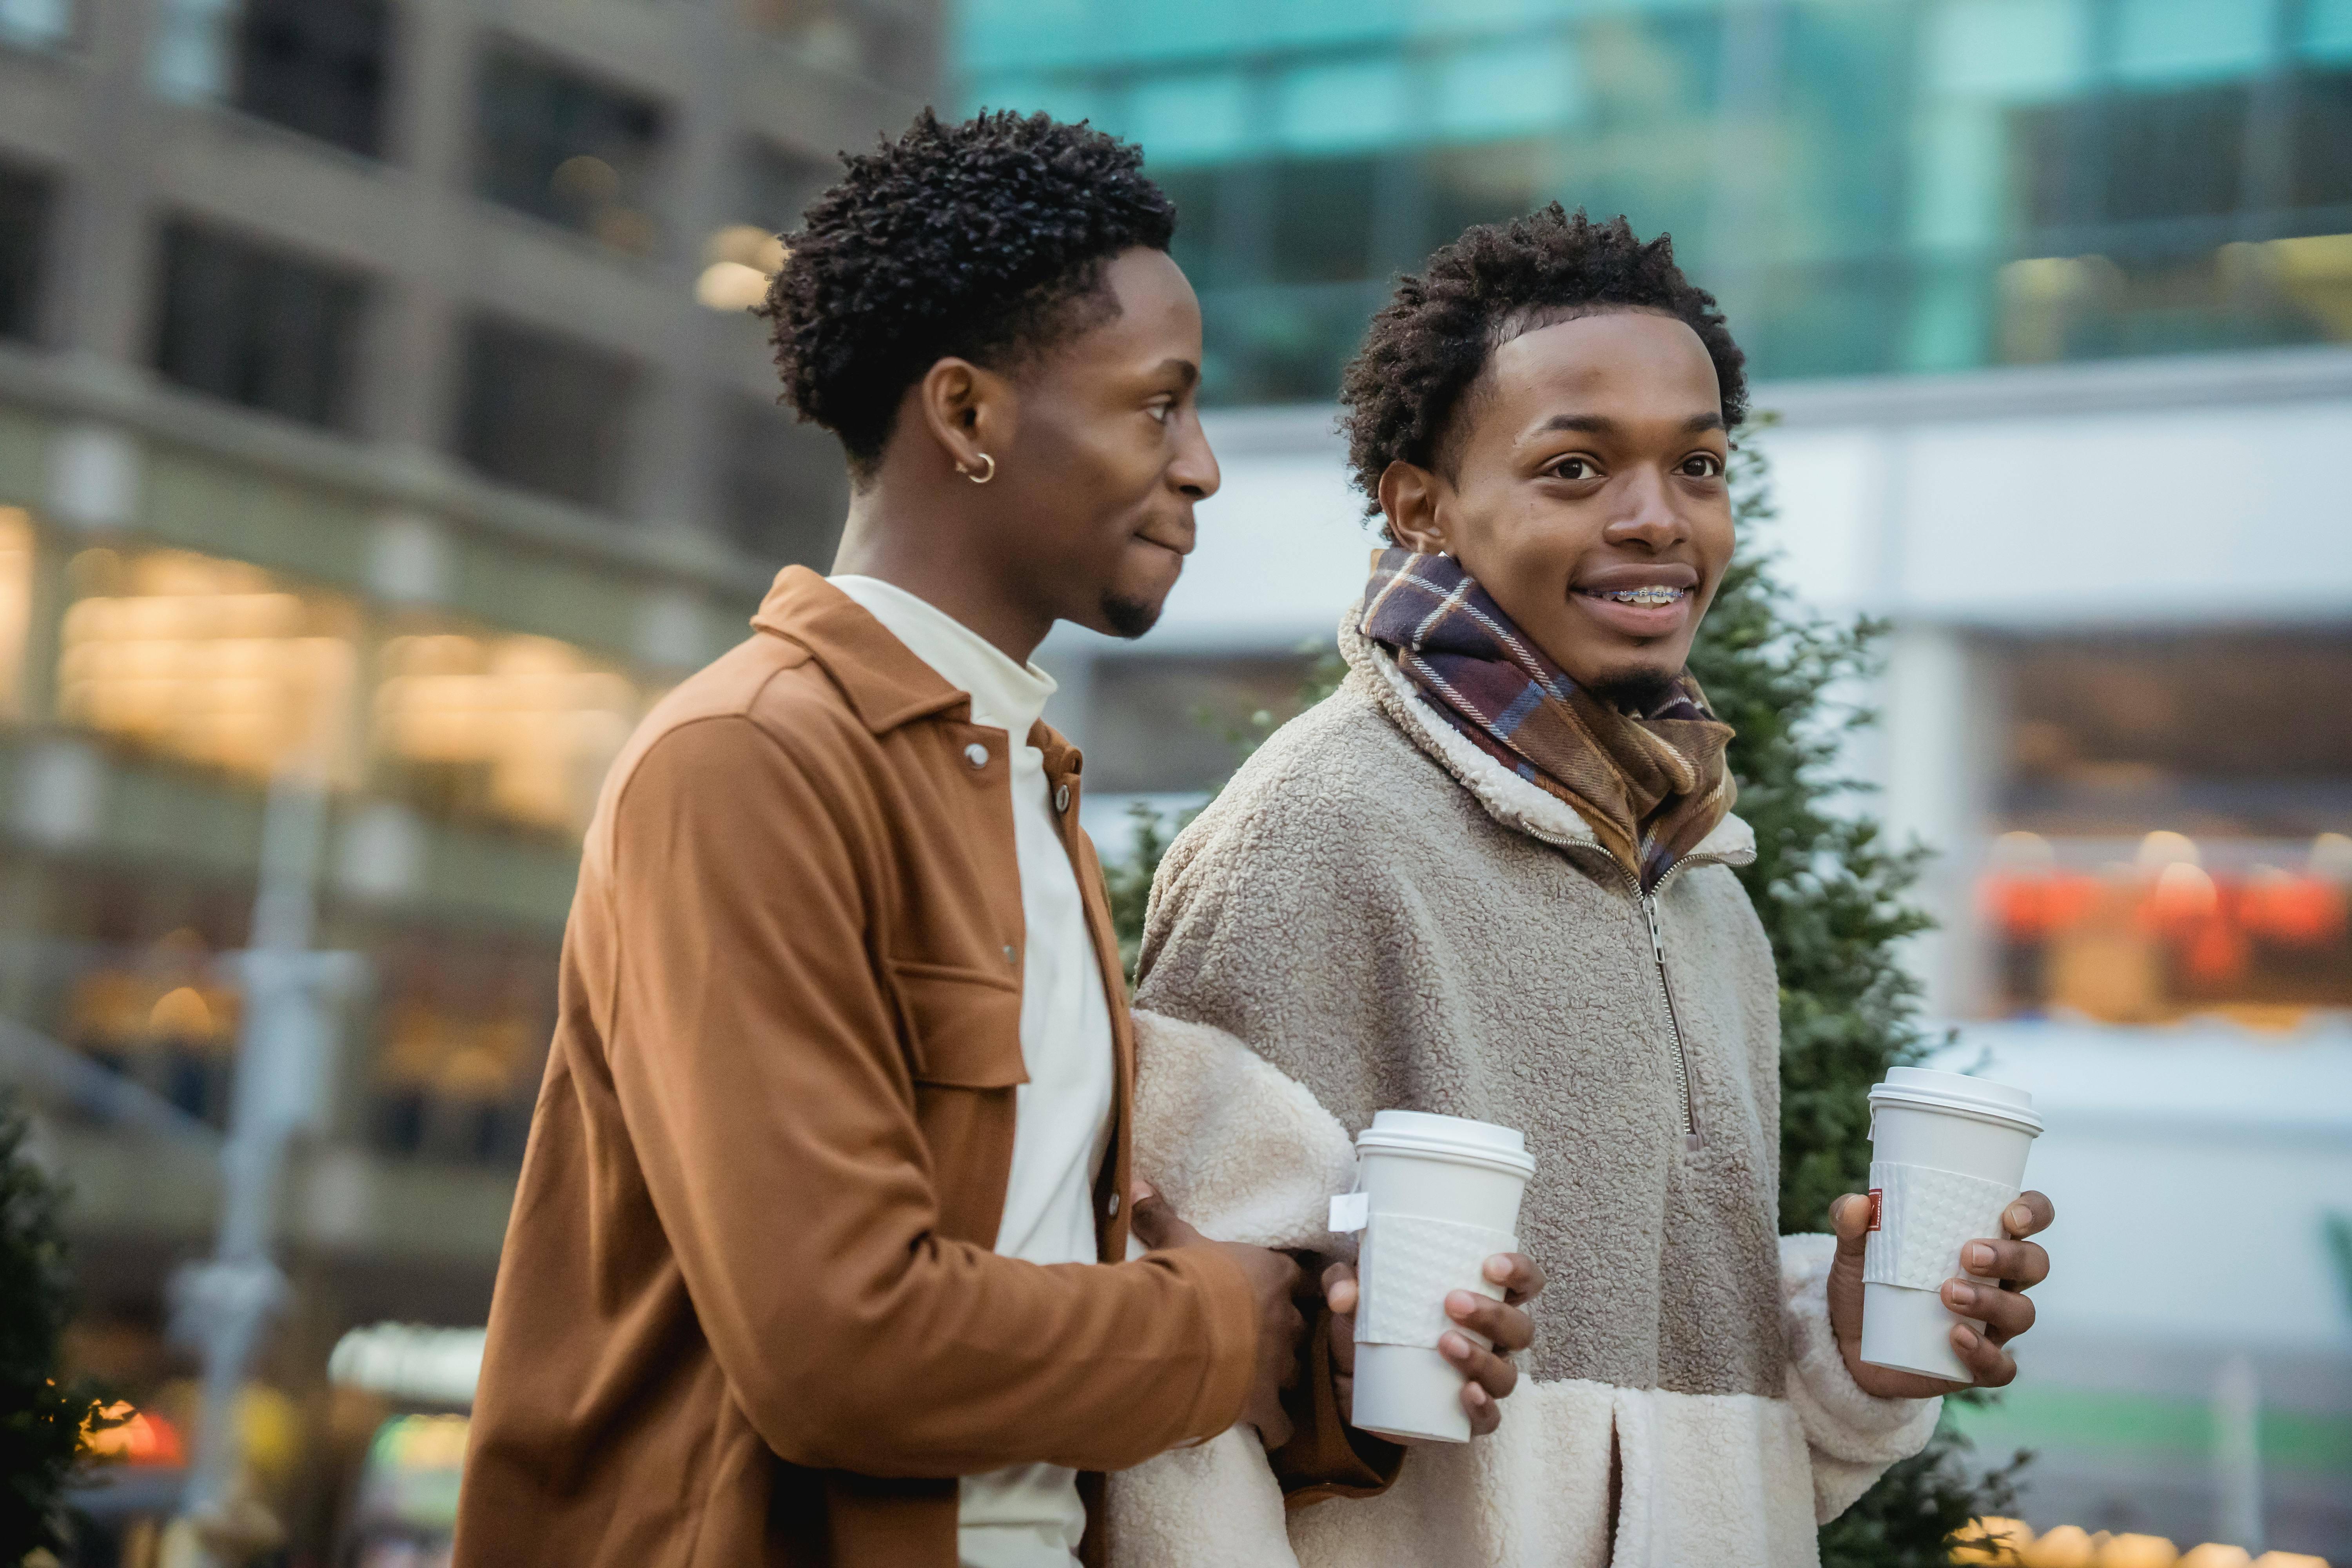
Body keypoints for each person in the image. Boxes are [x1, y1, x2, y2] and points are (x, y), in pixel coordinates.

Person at [450, 111, 1535, 1568]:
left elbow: (1046, 1291)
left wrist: (1330, 1358)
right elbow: (837, 1345)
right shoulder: (749, 763)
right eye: (1159, 407)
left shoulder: (1018, 776)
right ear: (966, 416)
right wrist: (1223, 1322)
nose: (1203, 466)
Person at [1111, 207, 2057, 1566]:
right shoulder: (1316, 835)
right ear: (1420, 506)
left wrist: (1861, 1353)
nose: (1657, 520)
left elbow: (1706, 1430)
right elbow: (1182, 1431)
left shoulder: (1698, 883)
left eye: (1700, 465)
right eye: (1573, 468)